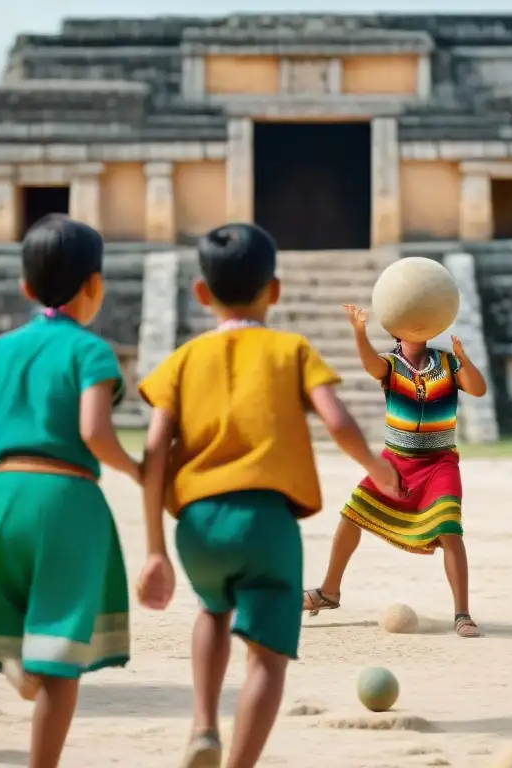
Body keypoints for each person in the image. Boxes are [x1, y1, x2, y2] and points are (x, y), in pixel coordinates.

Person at [135, 223, 398, 768]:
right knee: (268, 661)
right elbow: (337, 420)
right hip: (267, 523)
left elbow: (155, 449)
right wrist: (377, 467)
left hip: (198, 523)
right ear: (273, 290)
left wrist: (156, 547)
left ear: (201, 294)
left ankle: (205, 725)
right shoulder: (291, 349)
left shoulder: (182, 360)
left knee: (212, 610)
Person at [0, 214, 140, 768]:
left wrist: (6, 459)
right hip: (67, 498)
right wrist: (138, 470)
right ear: (95, 286)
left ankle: (13, 656)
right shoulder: (91, 351)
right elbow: (95, 432)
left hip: (5, 494)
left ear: (26, 288)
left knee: (15, 599)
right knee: (60, 654)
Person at [302, 303, 490, 638]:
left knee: (449, 529)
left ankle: (462, 613)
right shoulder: (390, 364)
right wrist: (359, 332)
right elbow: (370, 364)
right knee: (351, 515)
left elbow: (478, 389)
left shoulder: (447, 361)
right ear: (396, 329)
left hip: (440, 463)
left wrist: (463, 356)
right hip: (396, 462)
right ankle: (329, 592)